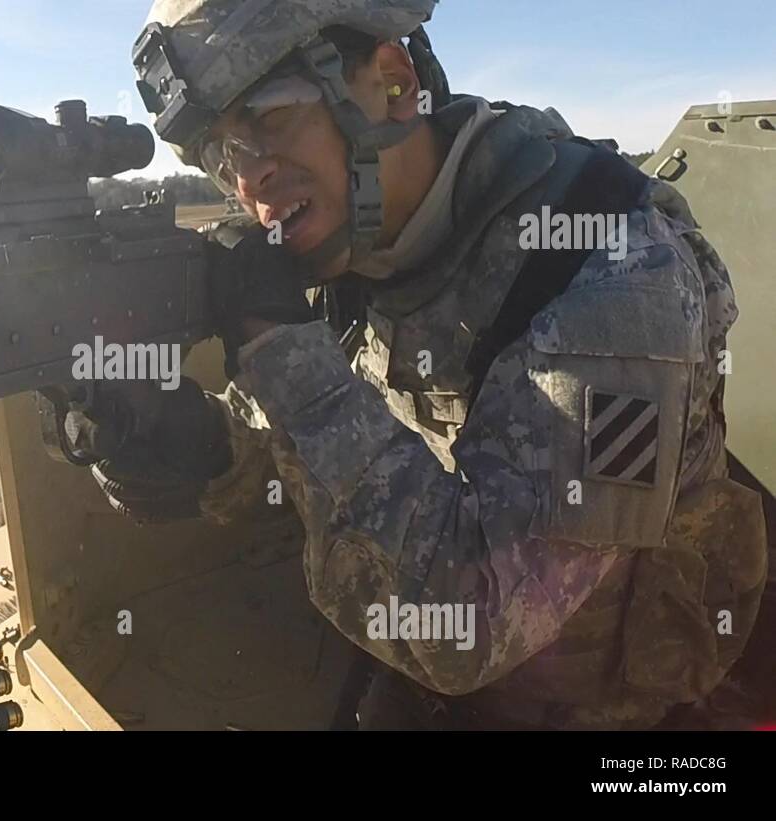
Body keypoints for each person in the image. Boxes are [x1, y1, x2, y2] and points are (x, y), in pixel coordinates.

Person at [80, 0, 769, 729]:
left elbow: (469, 622)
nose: (247, 180)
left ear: (393, 82)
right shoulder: (356, 242)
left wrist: (280, 352)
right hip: (437, 690)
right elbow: (297, 437)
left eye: (269, 119)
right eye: (222, 155)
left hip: (611, 714)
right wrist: (200, 444)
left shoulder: (613, 274)